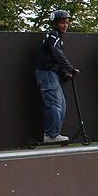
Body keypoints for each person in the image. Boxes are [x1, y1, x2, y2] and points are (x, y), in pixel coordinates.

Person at [34, 10, 79, 143]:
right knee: (54, 104)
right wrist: (69, 68)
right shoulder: (53, 36)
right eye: (62, 23)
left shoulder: (58, 38)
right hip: (46, 73)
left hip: (52, 73)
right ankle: (51, 135)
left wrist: (64, 72)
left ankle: (54, 133)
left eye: (67, 22)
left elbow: (53, 58)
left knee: (61, 105)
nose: (65, 25)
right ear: (55, 24)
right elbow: (57, 54)